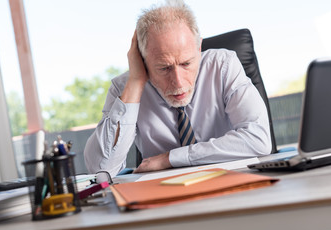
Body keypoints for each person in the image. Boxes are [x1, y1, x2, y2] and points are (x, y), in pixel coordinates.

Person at [84, 0, 271, 177]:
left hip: (231, 181)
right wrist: (135, 82)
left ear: (199, 47)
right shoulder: (125, 88)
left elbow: (258, 139)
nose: (179, 82)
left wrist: (171, 158)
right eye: (164, 68)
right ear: (142, 60)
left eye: (186, 63)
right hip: (165, 195)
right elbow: (101, 168)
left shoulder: (222, 66)